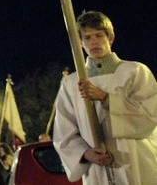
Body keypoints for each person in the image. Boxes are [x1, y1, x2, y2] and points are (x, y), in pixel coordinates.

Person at [53, 10, 157, 184]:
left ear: (110, 38)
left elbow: (150, 115)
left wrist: (106, 98)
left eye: (99, 35)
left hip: (137, 164)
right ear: (80, 43)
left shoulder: (135, 72)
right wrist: (85, 154)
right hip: (98, 171)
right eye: (87, 37)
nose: (93, 41)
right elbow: (64, 132)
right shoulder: (71, 83)